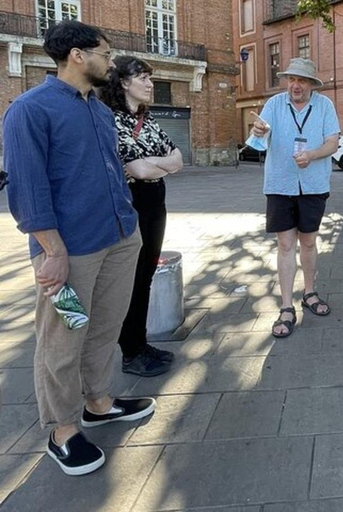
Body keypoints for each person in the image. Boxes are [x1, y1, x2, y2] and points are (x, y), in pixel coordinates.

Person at [3, 21, 156, 476]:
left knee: (104, 329)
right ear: (77, 55)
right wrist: (51, 251)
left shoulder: (99, 110)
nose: (110, 63)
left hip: (119, 238)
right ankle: (62, 430)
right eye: (105, 54)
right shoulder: (29, 110)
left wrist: (129, 220)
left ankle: (99, 402)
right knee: (61, 342)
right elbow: (27, 189)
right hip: (69, 251)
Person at [100, 56, 183, 377]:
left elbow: (177, 158)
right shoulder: (110, 120)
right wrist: (158, 163)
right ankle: (130, 351)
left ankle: (140, 342)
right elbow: (136, 168)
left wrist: (156, 164)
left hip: (154, 202)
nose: (150, 84)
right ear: (123, 83)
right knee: (130, 278)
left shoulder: (147, 120)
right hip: (129, 203)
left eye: (150, 78)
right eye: (143, 78)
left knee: (147, 274)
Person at [248, 58, 340, 338]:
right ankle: (286, 306)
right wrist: (258, 132)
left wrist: (311, 155)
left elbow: (333, 142)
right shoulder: (274, 104)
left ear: (312, 84)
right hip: (280, 184)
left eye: (301, 80)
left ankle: (309, 292)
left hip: (313, 184)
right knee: (285, 244)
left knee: (309, 242)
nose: (295, 85)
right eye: (292, 79)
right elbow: (258, 137)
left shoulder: (325, 106)